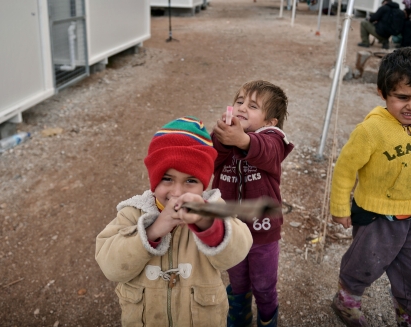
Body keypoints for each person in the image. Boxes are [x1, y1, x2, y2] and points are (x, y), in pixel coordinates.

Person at [95, 117, 253, 327]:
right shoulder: (132, 213)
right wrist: (151, 232)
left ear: (204, 184)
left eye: (190, 180)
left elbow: (237, 251)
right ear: (154, 178)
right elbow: (111, 267)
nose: (177, 192)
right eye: (167, 178)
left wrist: (207, 224)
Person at [329, 48, 411, 327]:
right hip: (376, 216)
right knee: (364, 265)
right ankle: (346, 301)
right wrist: (340, 208)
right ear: (383, 93)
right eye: (402, 97)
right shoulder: (371, 131)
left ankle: (410, 317)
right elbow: (345, 168)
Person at [212, 80, 295, 327]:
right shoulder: (224, 136)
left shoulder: (273, 140)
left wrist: (243, 141)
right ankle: (239, 315)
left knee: (264, 285)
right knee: (237, 282)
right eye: (239, 101)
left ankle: (267, 318)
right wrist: (223, 138)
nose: (242, 108)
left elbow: (267, 150)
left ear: (270, 122)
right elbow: (211, 160)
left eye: (253, 105)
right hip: (230, 230)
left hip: (263, 232)